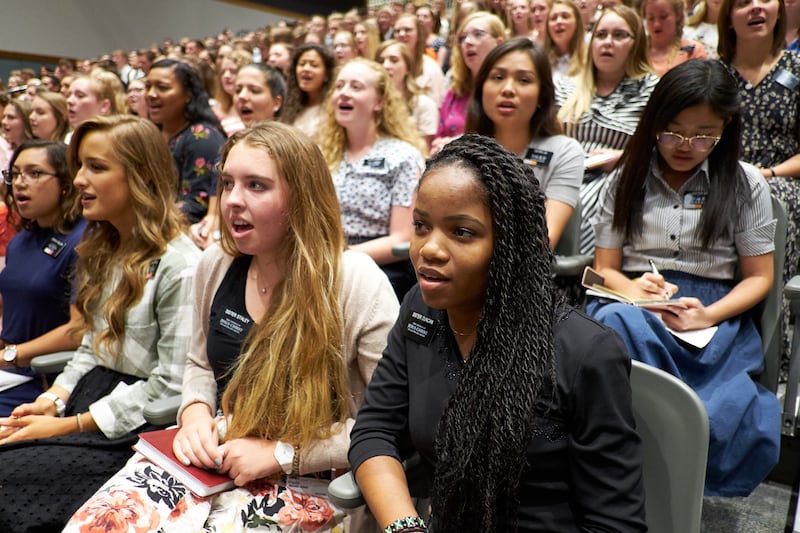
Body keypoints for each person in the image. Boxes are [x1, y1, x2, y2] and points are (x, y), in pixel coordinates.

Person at [65, 121, 399, 532]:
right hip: (215, 457)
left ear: (301, 199)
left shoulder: (356, 281)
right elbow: (200, 364)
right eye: (227, 184)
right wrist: (195, 413)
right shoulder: (217, 263)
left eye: (256, 186)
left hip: (312, 476)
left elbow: (385, 426)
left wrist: (282, 454)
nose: (232, 201)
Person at [349, 134, 647, 532]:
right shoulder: (421, 310)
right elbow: (375, 430)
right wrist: (405, 527)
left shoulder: (585, 352)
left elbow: (615, 526)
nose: (429, 249)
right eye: (421, 226)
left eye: (462, 232)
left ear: (509, 245)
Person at [587, 59, 780, 496]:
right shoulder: (625, 178)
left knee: (723, 410)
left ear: (725, 128)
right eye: (672, 131)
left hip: (710, 313)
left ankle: (676, 480)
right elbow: (605, 268)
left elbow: (758, 278)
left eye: (703, 135)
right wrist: (633, 290)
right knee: (618, 325)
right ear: (654, 122)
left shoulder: (745, 183)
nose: (684, 145)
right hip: (636, 300)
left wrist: (706, 314)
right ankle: (630, 464)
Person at [0, 115, 199, 532]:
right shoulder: (110, 247)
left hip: (133, 430)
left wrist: (69, 423)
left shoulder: (180, 266)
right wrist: (53, 398)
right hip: (87, 405)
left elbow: (169, 386)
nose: (80, 181)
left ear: (141, 177)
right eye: (80, 167)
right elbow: (92, 344)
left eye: (97, 167)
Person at [718, 0, 800, 365]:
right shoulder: (715, 74)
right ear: (729, 18)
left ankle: (771, 353)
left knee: (770, 200)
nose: (755, 8)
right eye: (742, 2)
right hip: (720, 180)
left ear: (780, 11)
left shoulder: (797, 69)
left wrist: (766, 175)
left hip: (781, 180)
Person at [556, 5, 659, 254]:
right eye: (601, 35)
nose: (607, 42)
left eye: (619, 35)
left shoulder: (651, 89)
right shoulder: (567, 87)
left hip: (617, 177)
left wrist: (624, 157)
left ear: (636, 43)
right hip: (564, 170)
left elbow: (664, 147)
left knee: (585, 200)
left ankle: (570, 275)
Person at [321, 58, 426, 300]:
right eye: (339, 86)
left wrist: (341, 258)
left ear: (379, 102)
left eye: (355, 87)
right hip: (326, 256)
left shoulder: (402, 156)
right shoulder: (325, 153)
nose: (343, 93)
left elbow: (402, 238)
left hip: (377, 270)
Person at [466, 37, 584, 248]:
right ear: (482, 88)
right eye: (498, 77)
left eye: (524, 80)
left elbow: (542, 243)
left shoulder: (564, 152)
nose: (508, 89)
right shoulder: (460, 150)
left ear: (542, 96)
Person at [0, 140, 86, 415]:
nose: (20, 183)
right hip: (11, 371)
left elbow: (79, 330)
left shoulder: (84, 240)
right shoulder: (21, 240)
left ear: (65, 182)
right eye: (14, 174)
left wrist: (12, 355)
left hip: (46, 379)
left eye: (34, 173)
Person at [146, 59, 226, 226]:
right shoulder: (151, 133)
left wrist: (143, 218)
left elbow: (197, 204)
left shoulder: (202, 137)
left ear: (188, 95)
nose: (151, 94)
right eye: (148, 86)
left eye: (162, 87)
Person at [434, 12, 506, 153]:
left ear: (499, 43)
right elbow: (438, 137)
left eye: (478, 34)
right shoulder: (455, 91)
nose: (467, 42)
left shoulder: (507, 90)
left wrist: (455, 144)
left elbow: (507, 139)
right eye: (462, 38)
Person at [378, 40, 440, 150]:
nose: (386, 66)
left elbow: (425, 151)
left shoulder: (423, 104)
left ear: (408, 68)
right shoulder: (371, 103)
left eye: (394, 60)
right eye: (381, 61)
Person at [280, 43, 335, 143]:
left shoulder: (334, 108)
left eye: (314, 65)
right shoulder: (289, 107)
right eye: (302, 64)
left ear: (327, 74)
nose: (306, 69)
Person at [643, 0, 708, 76]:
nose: (656, 24)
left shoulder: (693, 50)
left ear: (678, 15)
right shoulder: (635, 50)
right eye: (651, 18)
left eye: (663, 17)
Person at [393, 13, 447, 104]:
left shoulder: (431, 68)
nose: (401, 34)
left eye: (407, 30)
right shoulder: (389, 66)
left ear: (418, 35)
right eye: (397, 31)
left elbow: (438, 106)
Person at [545, 0, 587, 83]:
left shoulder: (589, 59)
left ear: (577, 23)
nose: (558, 22)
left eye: (565, 16)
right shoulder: (542, 62)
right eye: (553, 18)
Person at [214, 49, 253, 136]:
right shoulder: (216, 109)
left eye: (233, 71)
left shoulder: (253, 109)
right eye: (223, 72)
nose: (226, 76)